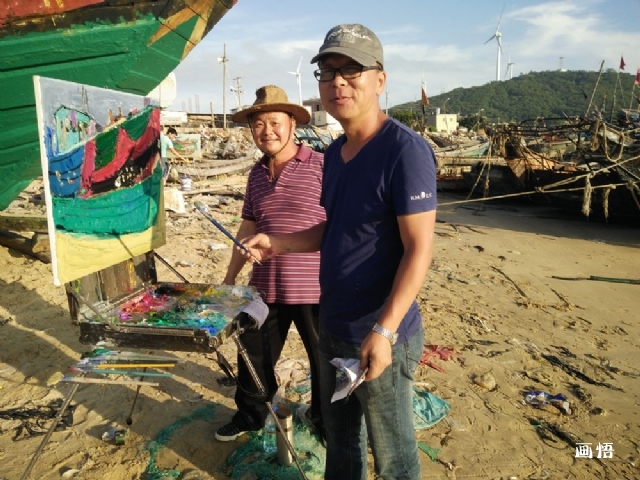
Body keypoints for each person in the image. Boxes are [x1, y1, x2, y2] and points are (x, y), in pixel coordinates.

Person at [241, 25, 437, 479]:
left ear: (380, 80)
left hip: (380, 332)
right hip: (332, 326)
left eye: (352, 70)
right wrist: (279, 243)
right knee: (341, 440)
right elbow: (336, 227)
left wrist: (385, 331)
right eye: (328, 72)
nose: (338, 82)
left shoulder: (404, 151)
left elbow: (419, 249)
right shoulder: (334, 154)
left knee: (394, 455)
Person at [214, 85, 326, 443]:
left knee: (326, 360)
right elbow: (247, 228)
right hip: (264, 286)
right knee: (253, 354)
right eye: (258, 124)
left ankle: (325, 420)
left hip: (315, 288)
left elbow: (339, 224)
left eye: (275, 122)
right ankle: (249, 416)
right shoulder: (256, 175)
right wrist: (231, 276)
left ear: (292, 123)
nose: (267, 132)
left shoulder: (322, 166)